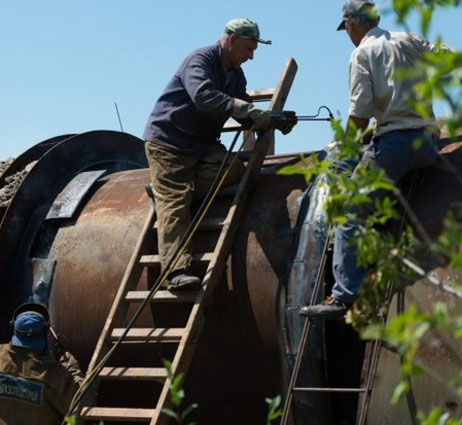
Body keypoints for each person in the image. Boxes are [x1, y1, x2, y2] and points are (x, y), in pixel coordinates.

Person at [301, 0, 452, 318]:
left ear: (351, 25)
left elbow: (360, 114)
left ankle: (345, 296)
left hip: (396, 145)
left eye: (347, 30)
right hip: (428, 141)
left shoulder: (361, 53)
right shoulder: (408, 39)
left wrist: (345, 146)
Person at [143, 18, 296, 291]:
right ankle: (176, 272)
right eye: (249, 49)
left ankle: (165, 189)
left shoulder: (235, 74)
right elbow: (204, 97)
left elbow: (246, 110)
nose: (251, 56)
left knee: (237, 169)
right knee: (176, 204)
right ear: (232, 40)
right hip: (170, 142)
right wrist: (247, 111)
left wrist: (274, 120)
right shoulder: (199, 60)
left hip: (203, 146)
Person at [0, 303, 84, 425]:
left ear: (13, 330)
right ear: (45, 336)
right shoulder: (55, 374)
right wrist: (72, 368)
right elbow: (81, 407)